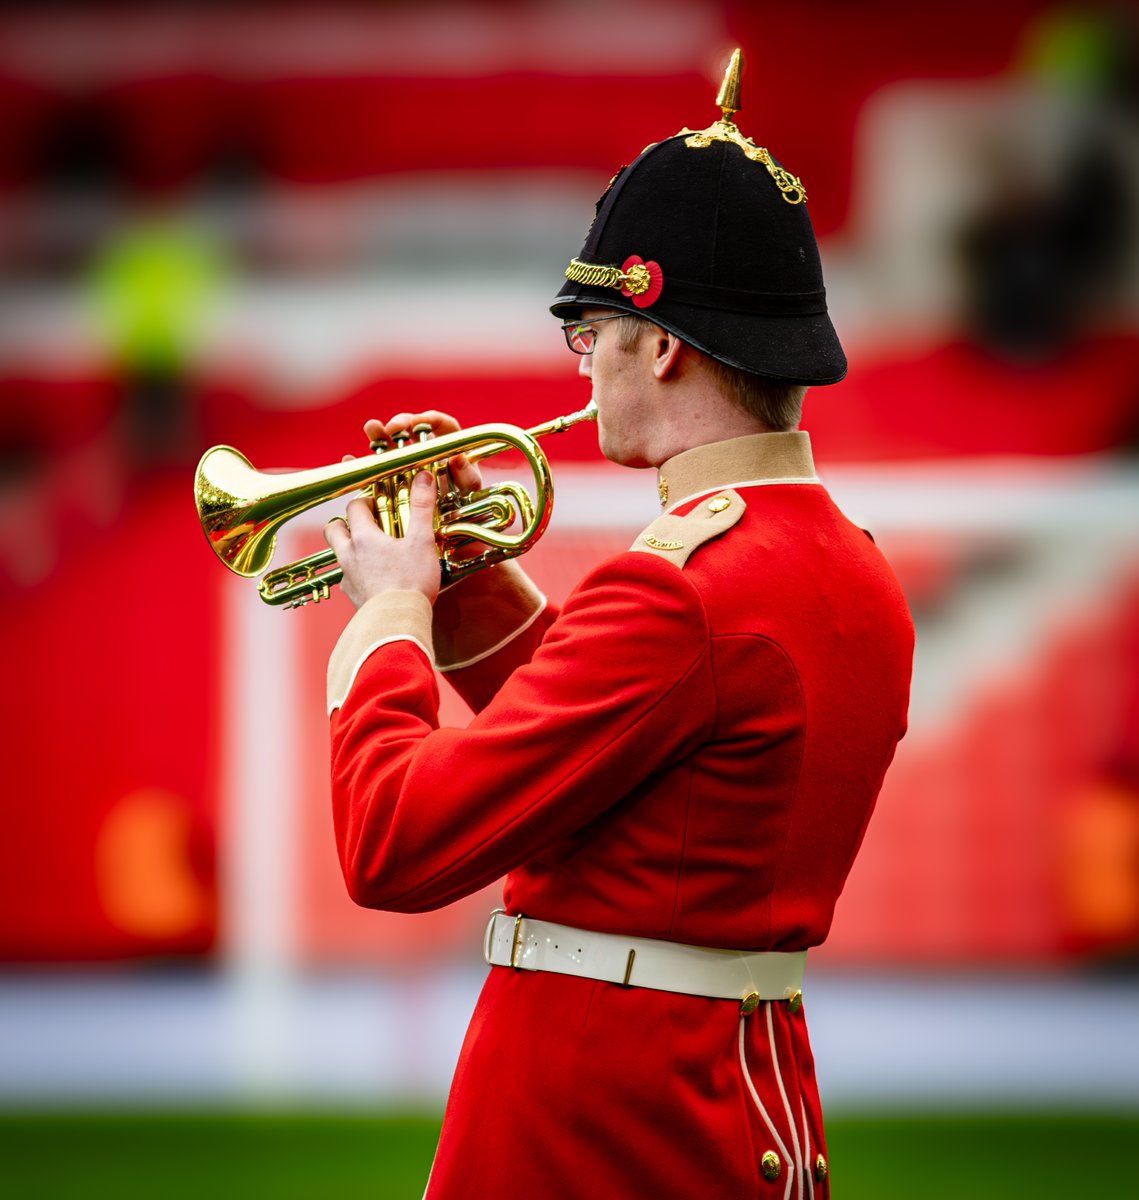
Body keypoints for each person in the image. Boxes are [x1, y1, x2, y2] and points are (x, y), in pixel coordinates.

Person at [322, 50, 913, 1199]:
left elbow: (391, 847)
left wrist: (391, 606)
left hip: (592, 1119)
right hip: (739, 1100)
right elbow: (630, 755)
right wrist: (469, 579)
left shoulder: (681, 581)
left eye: (589, 329)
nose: (582, 360)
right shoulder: (848, 566)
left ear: (663, 342)